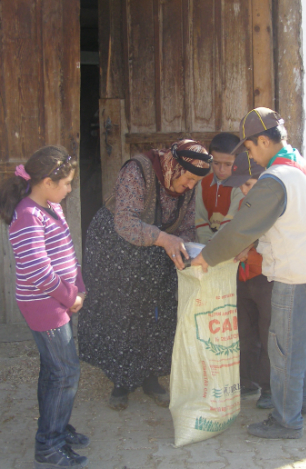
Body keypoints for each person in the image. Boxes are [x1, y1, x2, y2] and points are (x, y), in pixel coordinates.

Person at [191, 108, 306, 440]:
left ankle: (286, 421)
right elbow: (283, 219)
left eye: (251, 149)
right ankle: (304, 401)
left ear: (264, 140)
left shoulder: (275, 179)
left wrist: (208, 257)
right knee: (302, 343)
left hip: (293, 272)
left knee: (283, 349)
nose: (250, 157)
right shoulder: (298, 162)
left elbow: (241, 228)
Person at [78, 140, 212, 411]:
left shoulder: (187, 185)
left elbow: (186, 227)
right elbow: (125, 222)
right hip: (116, 245)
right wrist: (164, 238)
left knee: (159, 309)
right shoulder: (138, 171)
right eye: (188, 179)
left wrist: (186, 248)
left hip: (156, 248)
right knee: (123, 310)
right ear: (174, 166)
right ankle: (121, 381)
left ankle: (151, 377)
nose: (190, 186)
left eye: (195, 182)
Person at [0, 145, 90, 469]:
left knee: (54, 370)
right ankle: (49, 444)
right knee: (66, 372)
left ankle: (57, 427)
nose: (70, 189)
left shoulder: (51, 207)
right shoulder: (27, 215)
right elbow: (37, 270)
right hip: (44, 306)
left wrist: (79, 286)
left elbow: (66, 252)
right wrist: (68, 296)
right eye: (66, 183)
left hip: (58, 302)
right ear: (47, 181)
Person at [222, 152, 274, 408]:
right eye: (242, 185)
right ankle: (247, 382)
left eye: (250, 184)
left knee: (267, 334)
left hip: (266, 277)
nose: (245, 190)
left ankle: (269, 388)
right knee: (244, 331)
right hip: (243, 278)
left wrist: (248, 250)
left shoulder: (274, 203)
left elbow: (271, 241)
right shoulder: (245, 204)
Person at [195, 133, 244, 244]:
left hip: (231, 243)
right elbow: (200, 219)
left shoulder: (241, 186)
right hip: (207, 244)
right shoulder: (203, 183)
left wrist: (213, 248)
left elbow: (230, 225)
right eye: (216, 163)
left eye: (228, 164)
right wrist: (207, 243)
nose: (221, 169)